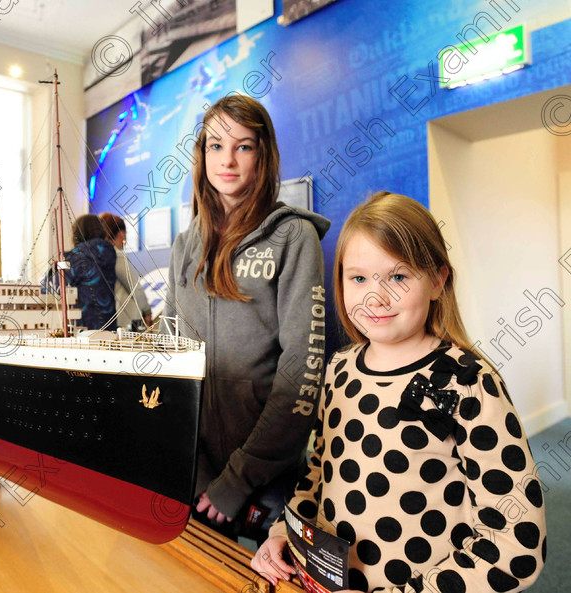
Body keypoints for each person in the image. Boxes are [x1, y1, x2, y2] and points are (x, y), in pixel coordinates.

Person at [252, 192, 546, 592]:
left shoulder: (469, 382)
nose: (375, 297)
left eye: (399, 276)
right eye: (358, 278)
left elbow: (517, 542)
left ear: (439, 281)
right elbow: (317, 475)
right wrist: (284, 535)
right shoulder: (339, 369)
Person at [164, 95, 331, 542]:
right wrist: (197, 472)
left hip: (268, 475)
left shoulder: (294, 237)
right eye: (215, 146)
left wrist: (239, 479)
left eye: (244, 146)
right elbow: (169, 356)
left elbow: (303, 371)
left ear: (263, 154)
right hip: (196, 470)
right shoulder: (186, 245)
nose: (228, 160)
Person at [45, 214, 117, 332]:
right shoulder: (110, 252)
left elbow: (53, 286)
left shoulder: (77, 256)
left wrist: (52, 270)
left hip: (83, 321)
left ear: (78, 232)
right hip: (108, 319)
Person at [99, 212, 152, 329]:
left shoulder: (99, 256)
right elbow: (134, 286)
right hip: (128, 320)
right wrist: (147, 311)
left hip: (109, 317)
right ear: (121, 233)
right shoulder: (117, 255)